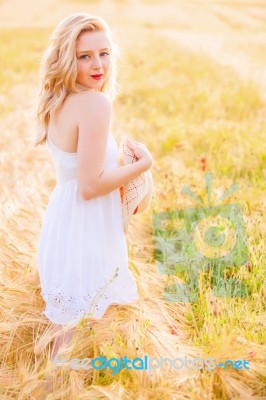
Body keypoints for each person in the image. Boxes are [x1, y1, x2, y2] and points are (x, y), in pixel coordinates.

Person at [33, 12, 153, 360]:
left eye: (104, 53)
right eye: (84, 55)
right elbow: (89, 185)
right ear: (67, 58)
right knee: (69, 338)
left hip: (63, 223)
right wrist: (142, 166)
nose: (97, 64)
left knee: (65, 332)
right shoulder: (96, 103)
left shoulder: (60, 99)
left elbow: (77, 175)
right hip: (86, 228)